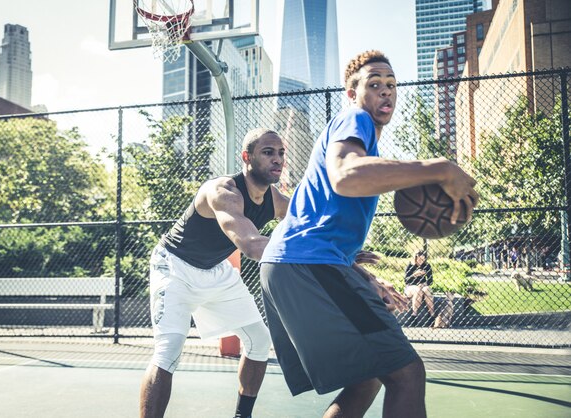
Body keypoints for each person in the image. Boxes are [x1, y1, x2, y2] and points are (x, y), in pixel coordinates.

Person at [260, 50, 479, 418]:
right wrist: (438, 168)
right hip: (307, 265)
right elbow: (346, 176)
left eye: (391, 85)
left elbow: (317, 219)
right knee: (406, 373)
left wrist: (360, 274)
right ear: (352, 93)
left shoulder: (364, 142)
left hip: (301, 265)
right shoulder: (354, 118)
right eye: (374, 84)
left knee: (369, 376)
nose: (385, 92)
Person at [139, 128, 290, 418]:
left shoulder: (277, 200)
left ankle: (241, 416)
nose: (277, 159)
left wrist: (338, 251)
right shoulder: (223, 192)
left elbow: (310, 229)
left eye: (281, 153)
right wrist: (310, 251)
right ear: (247, 157)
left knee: (259, 341)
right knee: (168, 352)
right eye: (268, 152)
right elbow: (251, 245)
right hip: (175, 267)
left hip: (216, 271)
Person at [404, 251, 435, 318]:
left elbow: (430, 281)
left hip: (422, 286)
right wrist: (414, 274)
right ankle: (414, 315)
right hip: (411, 286)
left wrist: (424, 284)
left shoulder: (427, 266)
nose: (421, 261)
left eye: (423, 259)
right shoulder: (410, 265)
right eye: (420, 259)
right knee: (417, 290)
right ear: (415, 258)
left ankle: (432, 315)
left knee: (427, 289)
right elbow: (406, 280)